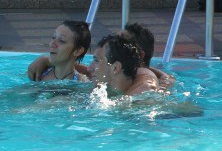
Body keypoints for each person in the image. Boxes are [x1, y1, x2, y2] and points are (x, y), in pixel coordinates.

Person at [27, 22, 174, 91]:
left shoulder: (144, 79)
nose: (113, 41)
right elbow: (93, 69)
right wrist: (47, 59)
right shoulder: (122, 73)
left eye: (120, 41)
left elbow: (141, 95)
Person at [89, 33, 158, 96]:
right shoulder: (105, 92)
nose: (88, 68)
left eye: (96, 60)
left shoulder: (142, 98)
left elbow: (147, 85)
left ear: (115, 68)